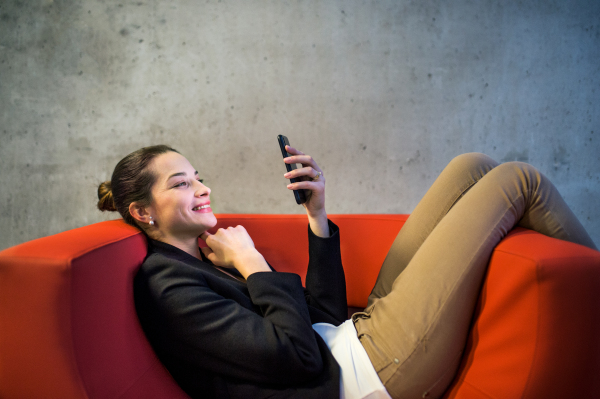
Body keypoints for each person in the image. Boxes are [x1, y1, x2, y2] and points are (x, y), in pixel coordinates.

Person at [97, 144, 596, 399]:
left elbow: (321, 316)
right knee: (518, 180)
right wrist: (252, 265)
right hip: (364, 376)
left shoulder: (203, 257)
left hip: (349, 337)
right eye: (182, 184)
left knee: (473, 166)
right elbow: (299, 360)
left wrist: (316, 214)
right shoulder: (167, 286)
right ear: (143, 212)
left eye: (198, 178)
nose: (202, 189)